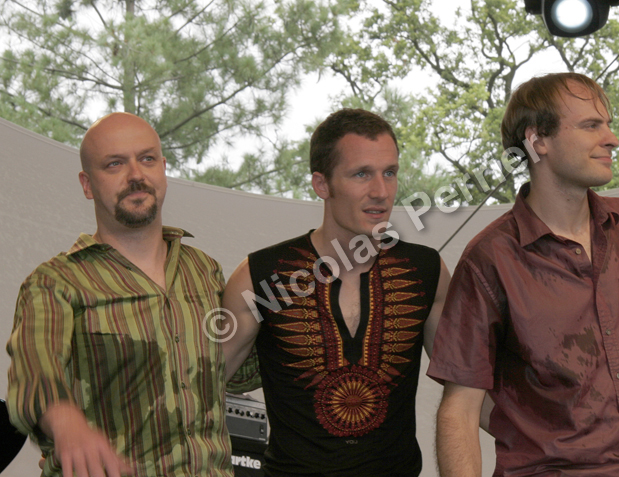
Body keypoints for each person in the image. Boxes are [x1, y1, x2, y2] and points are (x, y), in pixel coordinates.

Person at [428, 73, 619, 477]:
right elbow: (460, 409)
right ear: (538, 141)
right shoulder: (490, 259)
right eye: (591, 125)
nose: (612, 139)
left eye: (607, 124)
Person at [6, 112, 249, 477]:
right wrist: (66, 423)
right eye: (114, 164)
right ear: (87, 185)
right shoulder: (55, 282)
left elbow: (236, 370)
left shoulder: (204, 269)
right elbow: (34, 374)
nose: (136, 175)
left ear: (163, 169)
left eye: (147, 159)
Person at [222, 108, 451, 476]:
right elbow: (198, 391)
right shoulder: (261, 276)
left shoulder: (426, 271)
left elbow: (467, 390)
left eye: (389, 173)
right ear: (322, 184)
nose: (381, 192)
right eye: (362, 174)